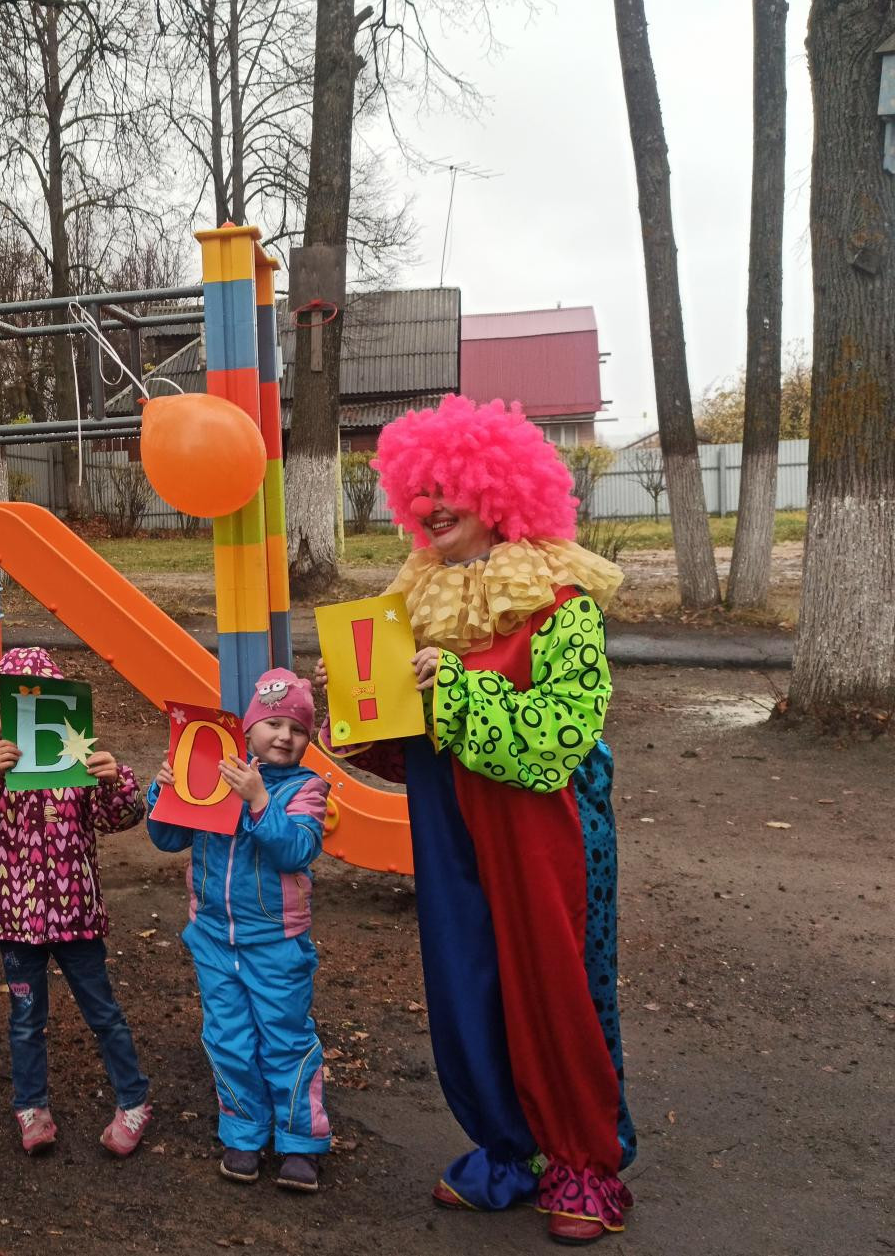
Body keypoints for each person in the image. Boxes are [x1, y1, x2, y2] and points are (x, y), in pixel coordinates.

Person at [324, 395, 631, 1245]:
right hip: (451, 823)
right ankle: (508, 1144)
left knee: (550, 985)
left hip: (543, 831)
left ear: (500, 490)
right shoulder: (413, 595)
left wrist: (453, 688)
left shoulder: (558, 597)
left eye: (450, 485)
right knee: (465, 982)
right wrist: (358, 708)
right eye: (419, 489)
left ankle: (579, 1156)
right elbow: (405, 741)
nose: (431, 504)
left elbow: (560, 737)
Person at [0, 647, 151, 1158]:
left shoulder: (77, 764)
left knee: (103, 1012)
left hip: (75, 914)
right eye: (7, 712)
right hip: (15, 920)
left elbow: (121, 817)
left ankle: (134, 1101)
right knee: (25, 1017)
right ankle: (30, 1106)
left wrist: (115, 779)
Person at [146, 667, 332, 1193]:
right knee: (228, 1037)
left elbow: (296, 848)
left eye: (296, 728)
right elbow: (167, 837)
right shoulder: (217, 774)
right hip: (212, 936)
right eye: (272, 724)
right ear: (246, 730)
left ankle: (301, 1141)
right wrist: (163, 792)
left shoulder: (306, 789)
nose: (284, 736)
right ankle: (244, 1131)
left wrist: (257, 800)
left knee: (285, 1038)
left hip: (276, 942)